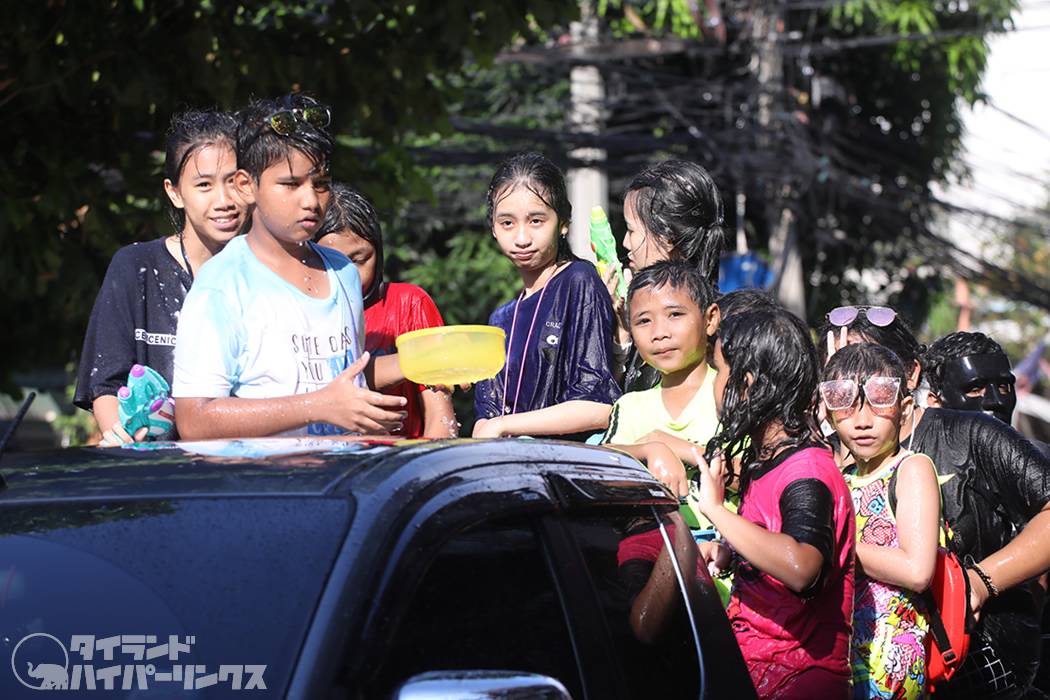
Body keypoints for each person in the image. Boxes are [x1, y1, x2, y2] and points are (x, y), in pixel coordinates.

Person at [816, 305, 1050, 700]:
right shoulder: (835, 453)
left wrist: (982, 582)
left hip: (978, 656)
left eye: (874, 378)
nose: (858, 398)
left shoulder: (972, 433)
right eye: (841, 383)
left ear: (910, 375)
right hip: (867, 662)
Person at [172, 93, 407, 439]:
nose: (311, 200)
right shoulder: (223, 284)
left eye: (321, 184)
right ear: (246, 186)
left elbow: (346, 382)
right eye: (291, 184)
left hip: (343, 471)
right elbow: (194, 420)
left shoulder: (343, 272)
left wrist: (420, 364)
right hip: (263, 475)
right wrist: (318, 406)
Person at [695, 307, 855, 698]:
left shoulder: (806, 470)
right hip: (760, 668)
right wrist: (731, 552)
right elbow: (774, 542)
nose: (713, 384)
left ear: (746, 384)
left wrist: (716, 511)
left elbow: (803, 567)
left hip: (800, 677)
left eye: (718, 371)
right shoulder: (768, 459)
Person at [75, 109, 250, 445]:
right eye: (204, 185)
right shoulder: (134, 266)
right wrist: (125, 441)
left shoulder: (269, 274)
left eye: (233, 182)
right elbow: (107, 385)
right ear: (174, 192)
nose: (224, 200)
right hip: (154, 470)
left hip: (246, 464)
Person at [472, 152, 620, 439]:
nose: (522, 238)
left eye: (536, 221)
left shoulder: (579, 281)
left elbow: (598, 406)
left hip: (565, 461)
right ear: (493, 228)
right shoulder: (500, 319)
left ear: (563, 222)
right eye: (507, 223)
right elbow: (485, 418)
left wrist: (503, 425)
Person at [824, 342, 939, 699]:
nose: (862, 421)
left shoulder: (911, 469)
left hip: (891, 669)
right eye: (847, 407)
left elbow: (917, 570)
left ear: (905, 410)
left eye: (878, 406)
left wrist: (834, 550)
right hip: (840, 661)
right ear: (829, 415)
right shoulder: (838, 478)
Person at [315, 182, 457, 438]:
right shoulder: (297, 314)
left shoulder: (408, 304)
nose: (349, 275)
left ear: (378, 252)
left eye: (360, 260)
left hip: (402, 458)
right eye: (332, 264)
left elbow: (441, 418)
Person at [601, 261, 721, 527]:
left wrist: (680, 448)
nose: (659, 333)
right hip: (653, 544)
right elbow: (602, 464)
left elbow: (756, 471)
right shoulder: (631, 407)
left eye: (675, 315)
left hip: (727, 547)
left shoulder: (731, 395)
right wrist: (650, 449)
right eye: (643, 321)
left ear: (710, 319)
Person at [603, 159, 727, 393]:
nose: (625, 242)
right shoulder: (647, 313)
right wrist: (624, 334)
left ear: (666, 238)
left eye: (631, 230)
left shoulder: (713, 332)